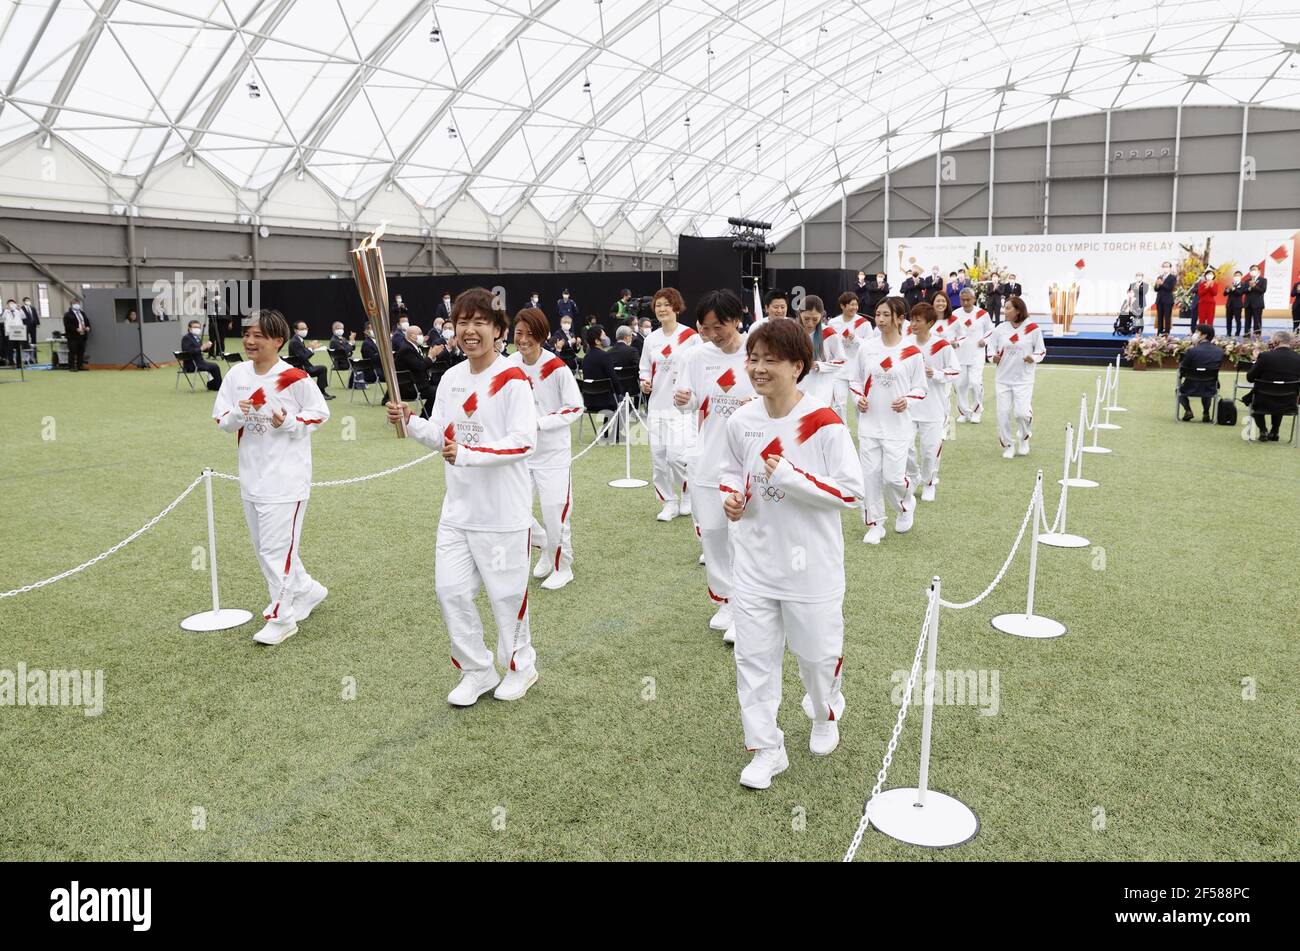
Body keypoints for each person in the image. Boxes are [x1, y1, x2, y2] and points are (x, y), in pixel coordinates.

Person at [719, 319, 864, 788]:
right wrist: (732, 497)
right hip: (756, 564)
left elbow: (850, 494)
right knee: (753, 659)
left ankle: (824, 714)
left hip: (811, 569)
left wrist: (790, 477)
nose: (758, 368)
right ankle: (766, 748)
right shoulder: (741, 420)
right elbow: (730, 470)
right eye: (753, 358)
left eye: (770, 360)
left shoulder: (823, 422)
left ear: (798, 366)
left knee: (818, 658)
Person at [386, 287, 540, 706]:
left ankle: (520, 666)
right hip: (457, 509)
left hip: (503, 512)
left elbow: (524, 442)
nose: (469, 331)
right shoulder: (452, 378)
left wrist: (469, 454)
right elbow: (443, 435)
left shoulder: (513, 379)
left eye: (479, 323)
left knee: (506, 597)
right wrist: (412, 422)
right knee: (450, 591)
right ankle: (477, 669)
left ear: (497, 329)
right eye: (462, 323)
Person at [211, 309, 331, 645]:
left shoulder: (293, 378)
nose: (249, 341)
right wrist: (238, 413)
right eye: (247, 334)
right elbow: (222, 421)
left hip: (286, 479)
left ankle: (281, 618)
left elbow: (320, 414)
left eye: (258, 336)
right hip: (251, 476)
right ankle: (307, 590)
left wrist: (289, 422)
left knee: (276, 549)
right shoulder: (237, 375)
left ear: (278, 340)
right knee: (265, 547)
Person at [674, 288, 755, 644]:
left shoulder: (757, 352)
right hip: (707, 459)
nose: (713, 334)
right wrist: (684, 400)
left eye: (718, 326)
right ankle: (724, 600)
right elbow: (687, 403)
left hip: (745, 463)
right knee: (713, 535)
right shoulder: (695, 357)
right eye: (706, 328)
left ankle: (745, 609)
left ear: (736, 319)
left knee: (742, 538)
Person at [510, 308, 583, 590]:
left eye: (530, 334)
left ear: (542, 336)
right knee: (514, 510)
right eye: (519, 333)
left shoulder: (556, 368)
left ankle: (563, 566)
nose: (524, 339)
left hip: (553, 454)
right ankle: (545, 545)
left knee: (556, 513)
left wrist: (540, 424)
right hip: (520, 454)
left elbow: (575, 406)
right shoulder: (509, 364)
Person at [853, 296, 926, 544]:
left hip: (897, 426)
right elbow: (855, 381)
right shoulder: (867, 348)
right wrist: (859, 398)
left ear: (900, 318)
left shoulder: (911, 352)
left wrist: (908, 400)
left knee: (893, 478)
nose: (881, 319)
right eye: (879, 314)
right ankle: (876, 524)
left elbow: (921, 388)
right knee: (870, 476)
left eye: (886, 315)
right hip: (870, 424)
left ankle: (906, 505)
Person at [639, 287, 700, 521]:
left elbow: (698, 368)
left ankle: (687, 494)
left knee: (676, 456)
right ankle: (669, 502)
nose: (662, 309)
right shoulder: (651, 339)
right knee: (659, 459)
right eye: (658, 305)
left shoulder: (690, 337)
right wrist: (644, 381)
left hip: (680, 408)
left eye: (666, 304)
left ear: (676, 307)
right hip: (656, 406)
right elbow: (645, 367)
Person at [906, 303, 960, 503]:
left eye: (918, 320)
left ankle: (929, 482)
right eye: (912, 319)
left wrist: (935, 373)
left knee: (929, 451)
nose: (913, 324)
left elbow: (955, 371)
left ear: (929, 323)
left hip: (934, 408)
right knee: (905, 448)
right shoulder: (906, 343)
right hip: (909, 406)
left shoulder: (941, 345)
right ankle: (913, 478)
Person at [988, 297, 1046, 458]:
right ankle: (1008, 445)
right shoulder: (1000, 328)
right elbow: (990, 347)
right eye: (1004, 308)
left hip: (1023, 379)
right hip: (1003, 379)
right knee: (1003, 414)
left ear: (1018, 310)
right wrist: (992, 357)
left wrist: (1032, 357)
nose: (1004, 311)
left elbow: (1041, 350)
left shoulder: (1032, 328)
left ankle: (1024, 437)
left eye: (1008, 308)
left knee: (1022, 414)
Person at [1246, 331, 1300, 441]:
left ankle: (1263, 430)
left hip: (1262, 399)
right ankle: (1275, 431)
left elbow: (1250, 377)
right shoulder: (1297, 358)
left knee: (1256, 397)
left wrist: (1257, 361)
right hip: (1288, 400)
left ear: (1276, 342)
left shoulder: (1265, 356)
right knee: (1279, 397)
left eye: (1271, 340)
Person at [795, 295, 845, 410]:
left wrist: (819, 365)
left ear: (821, 316)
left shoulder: (829, 333)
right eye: (806, 318)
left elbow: (841, 361)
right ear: (799, 314)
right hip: (797, 386)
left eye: (815, 319)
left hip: (821, 389)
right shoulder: (792, 332)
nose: (810, 323)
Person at [952, 288, 994, 423]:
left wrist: (985, 340)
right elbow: (951, 331)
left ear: (974, 299)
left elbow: (990, 330)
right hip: (959, 355)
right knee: (960, 385)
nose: (965, 303)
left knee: (975, 383)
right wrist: (953, 341)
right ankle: (964, 413)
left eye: (968, 300)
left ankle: (976, 411)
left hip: (976, 354)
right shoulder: (955, 314)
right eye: (962, 300)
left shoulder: (982, 314)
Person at [582, 325, 623, 442]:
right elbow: (613, 378)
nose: (606, 338)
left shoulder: (586, 358)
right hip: (606, 401)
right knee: (621, 401)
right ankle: (617, 436)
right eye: (603, 336)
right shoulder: (605, 356)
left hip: (589, 401)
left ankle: (605, 432)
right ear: (597, 341)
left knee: (609, 395)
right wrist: (620, 392)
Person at [1177, 324, 1223, 423]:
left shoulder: (1192, 351)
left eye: (1197, 332)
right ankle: (1206, 412)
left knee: (1178, 390)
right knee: (1206, 389)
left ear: (1204, 335)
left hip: (1190, 386)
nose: (1195, 335)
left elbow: (1183, 369)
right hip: (1210, 386)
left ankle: (1188, 410)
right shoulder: (1219, 351)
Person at [392, 325, 439, 417]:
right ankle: (425, 417)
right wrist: (430, 356)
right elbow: (420, 366)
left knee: (440, 387)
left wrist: (431, 357)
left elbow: (422, 366)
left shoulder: (413, 347)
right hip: (410, 388)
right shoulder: (406, 349)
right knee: (436, 391)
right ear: (412, 336)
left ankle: (428, 415)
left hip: (418, 384)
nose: (422, 336)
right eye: (420, 334)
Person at [288, 321, 333, 399]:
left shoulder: (298, 340)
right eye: (302, 329)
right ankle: (321, 393)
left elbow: (303, 354)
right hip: (300, 368)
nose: (305, 330)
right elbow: (303, 357)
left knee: (322, 368)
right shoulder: (295, 342)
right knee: (322, 369)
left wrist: (310, 348)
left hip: (303, 366)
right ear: (295, 330)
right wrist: (311, 348)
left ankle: (322, 392)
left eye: (306, 328)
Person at [181, 319, 222, 390]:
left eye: (198, 327)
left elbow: (200, 349)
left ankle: (212, 385)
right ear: (189, 328)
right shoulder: (186, 338)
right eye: (195, 327)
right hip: (191, 364)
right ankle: (219, 387)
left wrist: (207, 347)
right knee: (215, 366)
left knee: (213, 367)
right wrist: (201, 348)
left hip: (200, 362)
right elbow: (188, 352)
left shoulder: (197, 338)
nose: (197, 329)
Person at [63, 300, 89, 371]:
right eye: (75, 304)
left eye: (78, 303)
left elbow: (86, 321)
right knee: (73, 351)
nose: (77, 305)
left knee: (81, 351)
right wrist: (76, 329)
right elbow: (67, 325)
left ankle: (80, 366)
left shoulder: (82, 313)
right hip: (73, 336)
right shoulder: (67, 315)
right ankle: (71, 367)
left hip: (82, 335)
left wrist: (87, 327)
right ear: (71, 305)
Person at [1243, 265, 1267, 338]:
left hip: (1257, 304)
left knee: (1257, 320)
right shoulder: (1247, 281)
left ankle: (1257, 335)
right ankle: (1247, 334)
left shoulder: (1263, 280)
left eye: (1254, 269)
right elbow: (1244, 291)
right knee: (1247, 320)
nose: (1253, 271)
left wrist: (1254, 286)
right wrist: (1250, 288)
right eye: (1251, 269)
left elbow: (1263, 290)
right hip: (1248, 303)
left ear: (1259, 271)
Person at [1153, 261, 1176, 335]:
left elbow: (1170, 288)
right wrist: (1157, 285)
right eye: (1164, 266)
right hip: (1159, 300)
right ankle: (1159, 332)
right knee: (1159, 317)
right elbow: (1156, 289)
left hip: (1168, 300)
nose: (1165, 268)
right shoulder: (1160, 277)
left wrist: (1162, 283)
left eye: (1167, 266)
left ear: (1170, 268)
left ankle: (1166, 332)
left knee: (1167, 317)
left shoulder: (1173, 277)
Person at [1195, 268, 1219, 332]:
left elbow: (1214, 293)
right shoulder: (1201, 284)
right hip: (1202, 303)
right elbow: (1200, 293)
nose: (1209, 275)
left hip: (1211, 303)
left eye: (1211, 274)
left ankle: (1209, 333)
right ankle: (1201, 332)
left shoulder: (1215, 284)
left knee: (1210, 320)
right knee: (1201, 319)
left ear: (1213, 276)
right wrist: (1206, 287)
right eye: (1208, 274)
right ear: (1205, 276)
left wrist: (1210, 286)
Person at [2, 300, 24, 366]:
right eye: (10, 303)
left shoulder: (18, 311)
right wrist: (6, 310)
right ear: (7, 305)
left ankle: (19, 362)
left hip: (18, 332)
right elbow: (2, 318)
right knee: (10, 348)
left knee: (19, 348)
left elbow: (24, 316)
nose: (11, 305)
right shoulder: (6, 311)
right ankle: (11, 362)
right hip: (9, 332)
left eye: (13, 303)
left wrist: (20, 309)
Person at [1224, 271, 1245, 336]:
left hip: (1237, 305)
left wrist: (1233, 288)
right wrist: (1227, 290)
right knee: (1228, 320)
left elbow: (1240, 293)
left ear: (1241, 277)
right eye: (1235, 275)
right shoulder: (1231, 284)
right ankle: (1228, 333)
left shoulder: (1243, 284)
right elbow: (1224, 294)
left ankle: (1237, 333)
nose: (1236, 277)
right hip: (1229, 304)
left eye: (1238, 275)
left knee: (1237, 320)